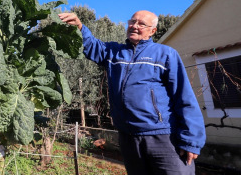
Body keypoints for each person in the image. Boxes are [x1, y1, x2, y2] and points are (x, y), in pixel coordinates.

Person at [59, 10, 206, 175]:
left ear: (153, 31)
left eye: (141, 24)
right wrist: (79, 27)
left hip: (163, 137)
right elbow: (93, 46)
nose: (134, 26)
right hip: (128, 137)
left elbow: (184, 96)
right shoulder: (114, 52)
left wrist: (192, 140)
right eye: (132, 21)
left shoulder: (165, 54)